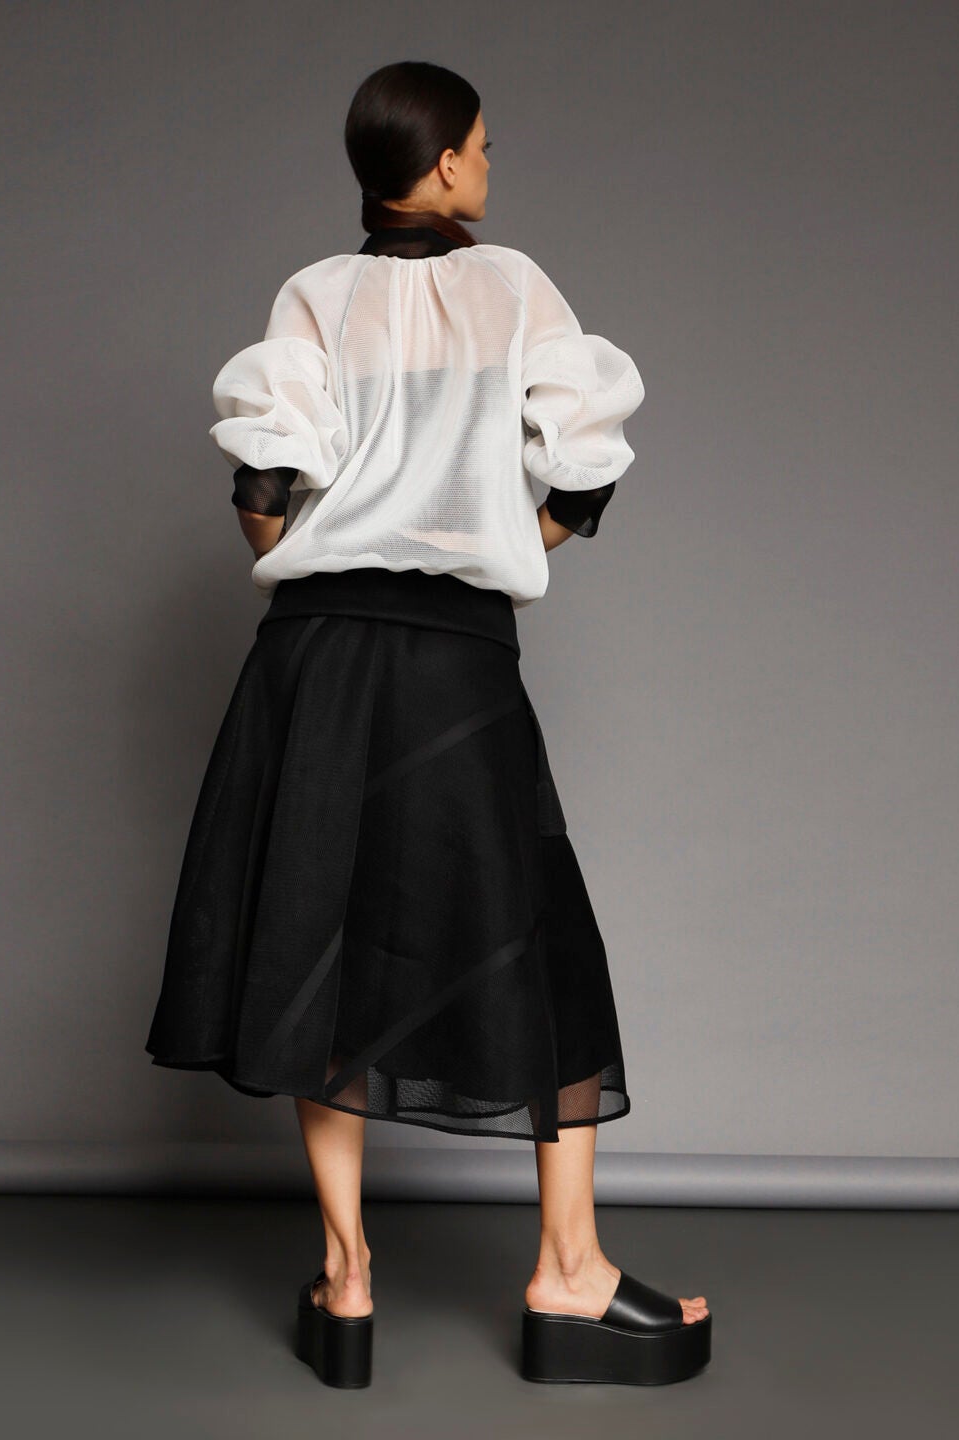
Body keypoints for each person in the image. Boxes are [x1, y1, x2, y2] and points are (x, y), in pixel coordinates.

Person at [145, 60, 711, 1388]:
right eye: (486, 147)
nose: (491, 167)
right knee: (535, 939)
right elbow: (584, 467)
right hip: (455, 654)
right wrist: (498, 540)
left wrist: (331, 552)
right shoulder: (513, 288)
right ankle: (568, 1275)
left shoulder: (314, 294)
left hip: (314, 652)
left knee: (317, 937)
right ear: (448, 161)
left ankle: (347, 1280)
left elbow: (263, 493)